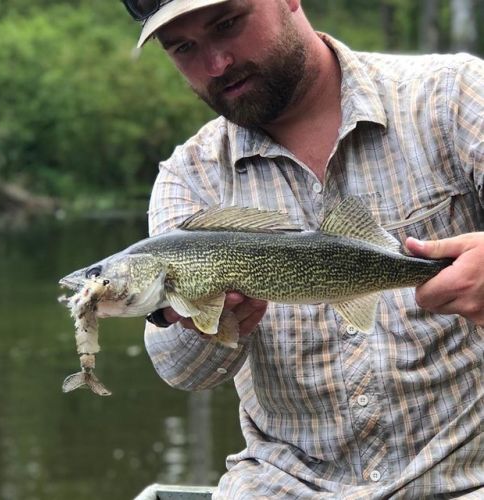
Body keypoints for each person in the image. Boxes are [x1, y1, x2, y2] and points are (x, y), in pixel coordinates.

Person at [122, 0, 484, 498]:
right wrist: (199, 322)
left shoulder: (454, 95)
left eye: (228, 24)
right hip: (284, 485)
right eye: (184, 48)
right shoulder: (189, 178)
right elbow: (182, 372)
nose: (216, 64)